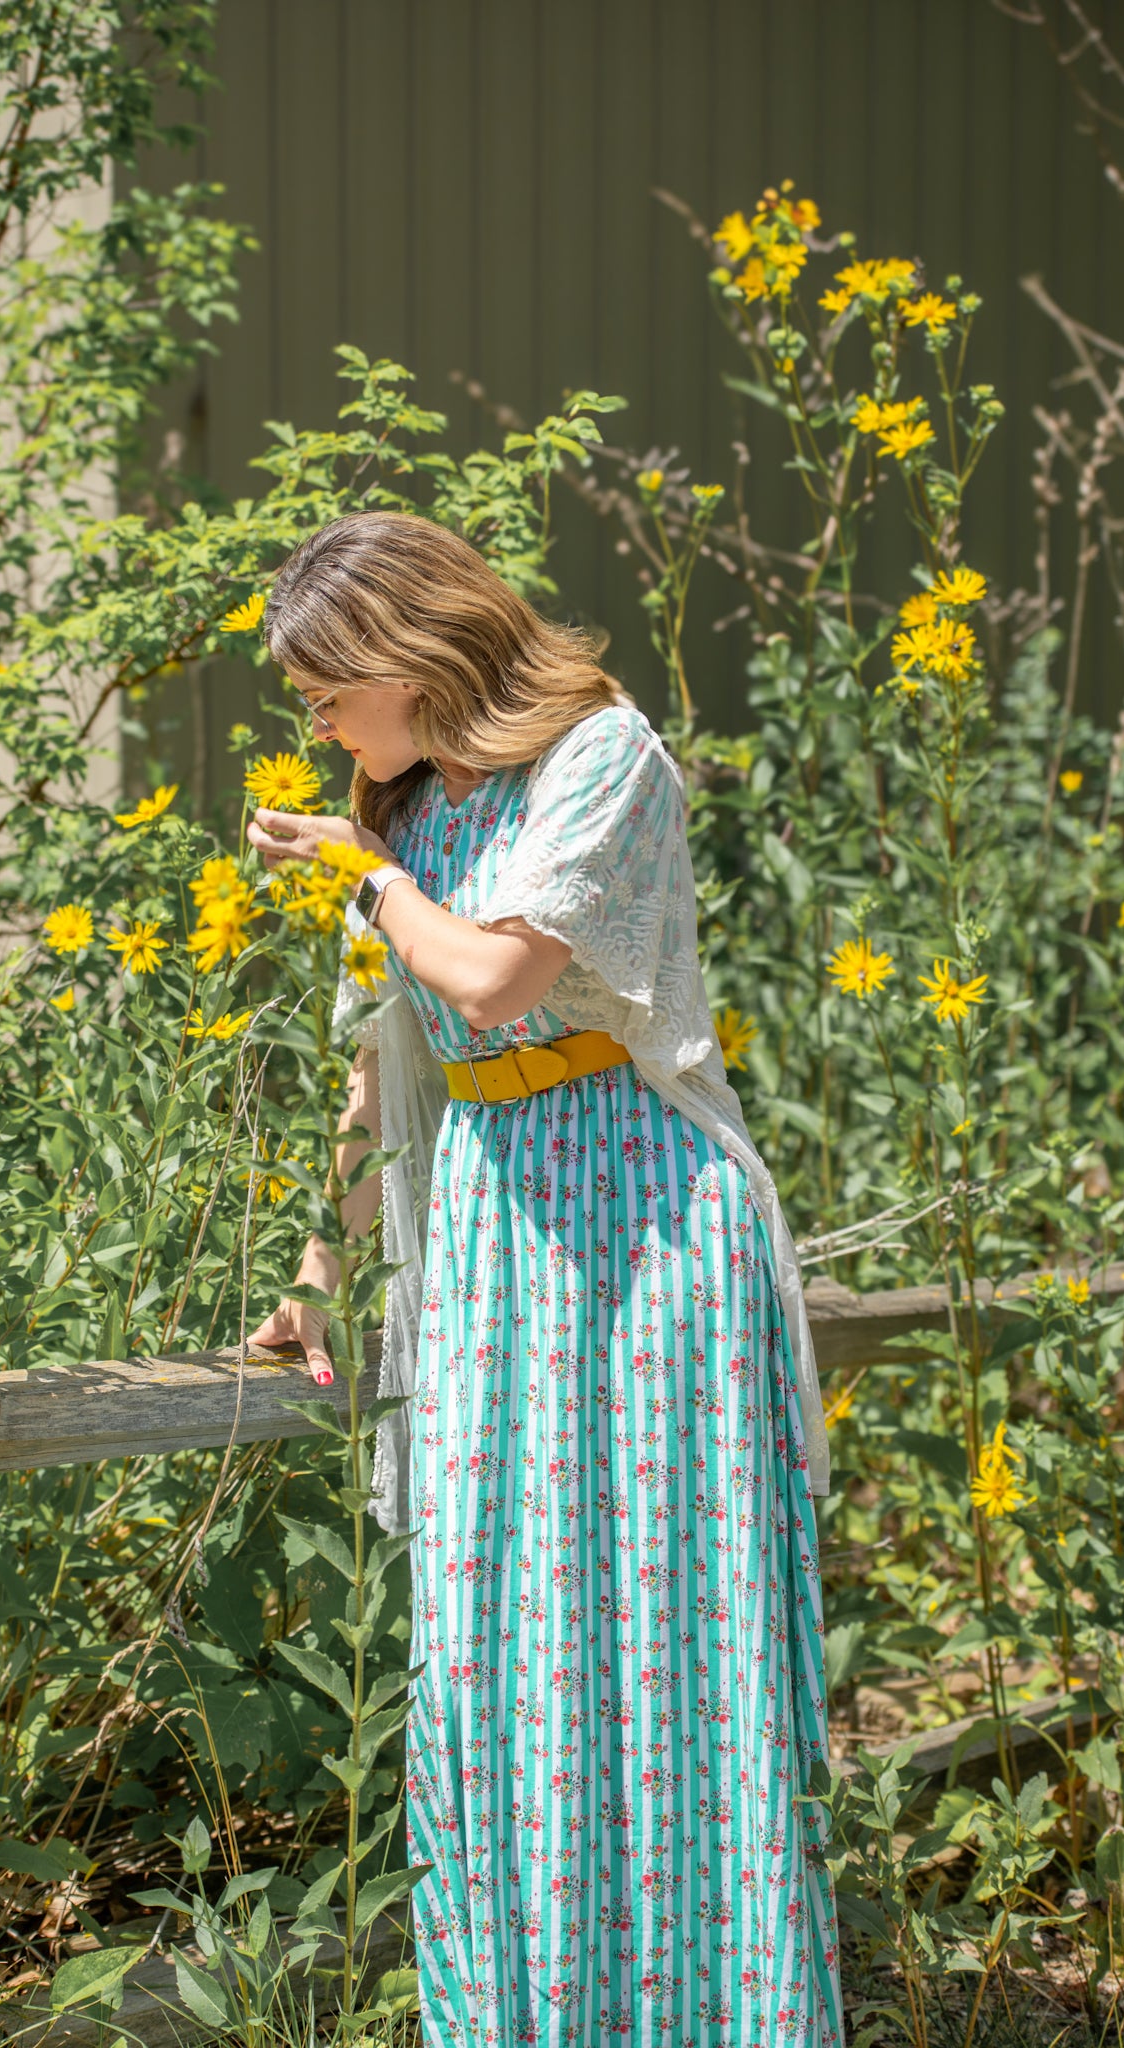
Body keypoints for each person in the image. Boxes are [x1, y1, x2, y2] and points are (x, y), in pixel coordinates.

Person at [248, 511, 843, 2047]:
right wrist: (318, 1270)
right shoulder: (415, 810)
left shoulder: (603, 757)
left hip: (645, 1223)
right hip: (502, 1235)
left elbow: (497, 977)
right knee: (499, 1646)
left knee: (669, 1641)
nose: (314, 722)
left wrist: (362, 877)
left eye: (323, 687)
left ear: (406, 650)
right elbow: (391, 1071)